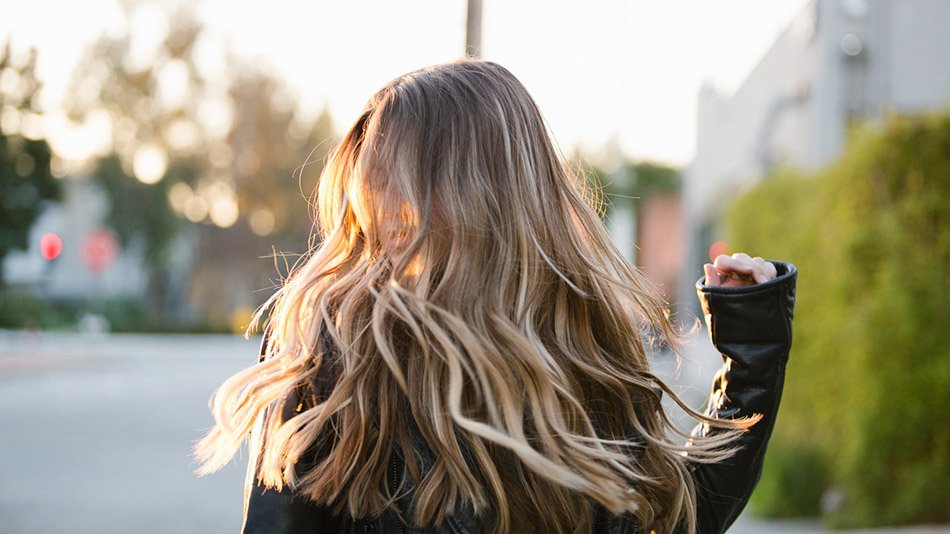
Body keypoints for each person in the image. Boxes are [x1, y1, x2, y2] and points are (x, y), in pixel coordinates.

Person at [194, 59, 797, 534]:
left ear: (477, 192)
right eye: (373, 193)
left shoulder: (585, 354)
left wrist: (753, 356)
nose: (380, 217)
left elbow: (676, 518)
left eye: (398, 188)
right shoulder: (342, 350)